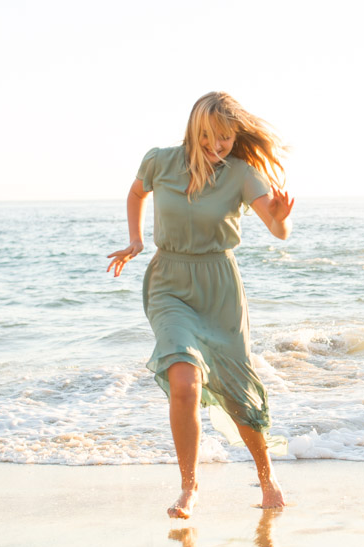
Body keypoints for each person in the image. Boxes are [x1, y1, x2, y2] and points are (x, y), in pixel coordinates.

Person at [107, 91, 294, 518]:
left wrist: (282, 216)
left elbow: (278, 229)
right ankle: (189, 488)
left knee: (236, 389)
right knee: (184, 380)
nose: (216, 146)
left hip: (219, 288)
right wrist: (136, 239)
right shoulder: (160, 161)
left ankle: (267, 477)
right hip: (169, 282)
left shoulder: (242, 174)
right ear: (193, 130)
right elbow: (136, 194)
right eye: (208, 136)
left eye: (225, 138)